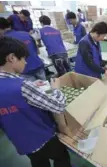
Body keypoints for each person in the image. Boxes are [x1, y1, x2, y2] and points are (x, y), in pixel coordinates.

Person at [0, 37, 72, 167]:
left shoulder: (19, 85)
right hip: (42, 137)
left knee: (38, 162)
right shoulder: (22, 86)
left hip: (21, 141)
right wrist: (55, 89)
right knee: (61, 157)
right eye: (23, 59)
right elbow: (58, 106)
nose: (26, 63)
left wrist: (33, 87)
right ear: (11, 58)